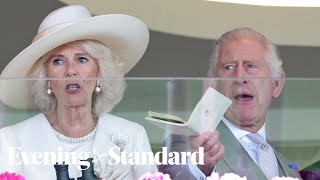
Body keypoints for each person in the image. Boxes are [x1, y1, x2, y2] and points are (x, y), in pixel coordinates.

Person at [0, 5, 157, 179]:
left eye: (82, 59)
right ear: (46, 77)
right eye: (58, 61)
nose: (71, 71)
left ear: (100, 73)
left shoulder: (132, 135)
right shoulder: (12, 139)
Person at [159, 28, 302, 180]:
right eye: (229, 67)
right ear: (213, 84)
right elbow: (175, 173)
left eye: (250, 66)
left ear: (276, 83)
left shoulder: (289, 171)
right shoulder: (188, 143)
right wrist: (198, 167)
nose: (240, 78)